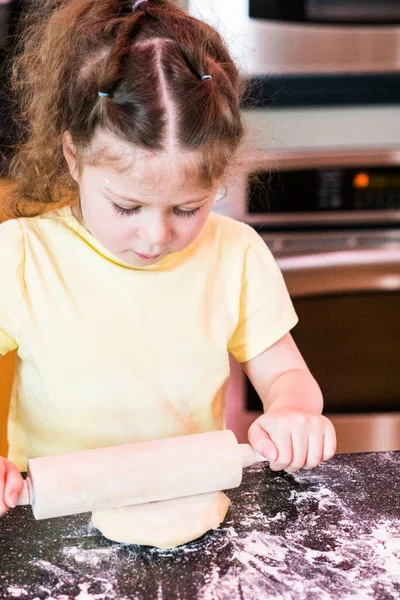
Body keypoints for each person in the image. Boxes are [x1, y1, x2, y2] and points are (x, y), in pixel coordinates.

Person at [0, 0, 336, 517]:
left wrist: (293, 413)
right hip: (54, 513)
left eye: (188, 207)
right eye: (127, 206)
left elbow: (286, 374)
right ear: (74, 157)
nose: (156, 235)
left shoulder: (235, 256)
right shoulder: (22, 256)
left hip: (188, 501)